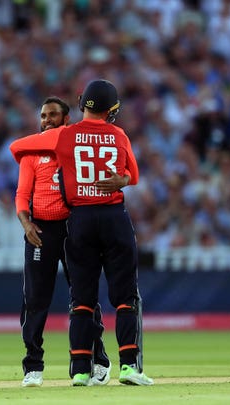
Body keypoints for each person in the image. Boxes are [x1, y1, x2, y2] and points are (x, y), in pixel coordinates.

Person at [10, 80, 153, 386]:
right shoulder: (118, 134)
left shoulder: (66, 136)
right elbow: (135, 176)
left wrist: (47, 145)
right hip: (112, 215)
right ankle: (129, 367)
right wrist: (121, 180)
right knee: (125, 296)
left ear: (80, 104)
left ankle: (81, 370)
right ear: (111, 109)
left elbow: (17, 147)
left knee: (82, 299)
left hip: (79, 220)